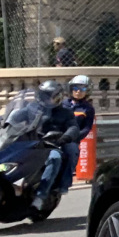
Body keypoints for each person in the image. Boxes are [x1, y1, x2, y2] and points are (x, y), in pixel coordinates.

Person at [30, 79, 78, 214]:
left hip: (51, 144)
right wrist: (1, 122)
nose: (47, 99)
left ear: (58, 97)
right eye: (44, 95)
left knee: (55, 158)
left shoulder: (65, 112)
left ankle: (41, 195)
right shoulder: (32, 109)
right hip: (30, 142)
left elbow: (73, 127)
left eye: (50, 96)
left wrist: (65, 137)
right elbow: (16, 116)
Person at [59, 74, 95, 193]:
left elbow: (86, 128)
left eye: (82, 89)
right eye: (75, 88)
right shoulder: (62, 104)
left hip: (71, 140)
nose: (78, 91)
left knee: (72, 154)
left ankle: (64, 185)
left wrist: (73, 137)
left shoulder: (88, 109)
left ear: (87, 90)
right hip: (55, 136)